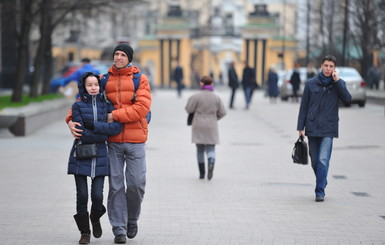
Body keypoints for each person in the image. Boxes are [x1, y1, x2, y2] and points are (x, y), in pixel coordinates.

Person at [66, 43, 152, 244]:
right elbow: (86, 100)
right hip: (111, 142)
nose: (118, 57)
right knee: (115, 186)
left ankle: (132, 218)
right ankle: (119, 228)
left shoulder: (141, 79)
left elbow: (142, 108)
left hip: (136, 140)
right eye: (116, 54)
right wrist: (70, 120)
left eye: (123, 55)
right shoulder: (104, 80)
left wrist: (114, 116)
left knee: (136, 184)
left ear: (129, 58)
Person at [68, 72, 122, 244]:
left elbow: (116, 127)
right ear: (83, 87)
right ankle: (84, 232)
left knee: (97, 196)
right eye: (89, 85)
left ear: (100, 86)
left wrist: (94, 126)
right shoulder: (77, 107)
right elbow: (81, 132)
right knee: (82, 195)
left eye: (96, 85)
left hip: (100, 154)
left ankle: (95, 216)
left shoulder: (107, 105)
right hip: (81, 153)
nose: (93, 88)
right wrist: (101, 131)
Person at [297, 55, 351, 202]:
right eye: (326, 65)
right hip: (312, 126)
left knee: (322, 159)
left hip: (329, 127)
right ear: (321, 66)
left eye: (331, 66)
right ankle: (323, 180)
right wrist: (300, 126)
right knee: (315, 160)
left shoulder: (338, 84)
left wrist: (338, 81)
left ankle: (319, 190)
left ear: (334, 68)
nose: (328, 69)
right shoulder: (311, 84)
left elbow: (347, 99)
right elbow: (304, 107)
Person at [185, 76, 227, 180]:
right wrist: (215, 117)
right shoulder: (216, 97)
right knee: (211, 148)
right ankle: (211, 161)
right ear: (211, 84)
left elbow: (189, 109)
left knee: (199, 149)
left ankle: (202, 173)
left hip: (198, 123)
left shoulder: (196, 96)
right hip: (211, 124)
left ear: (201, 84)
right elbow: (223, 112)